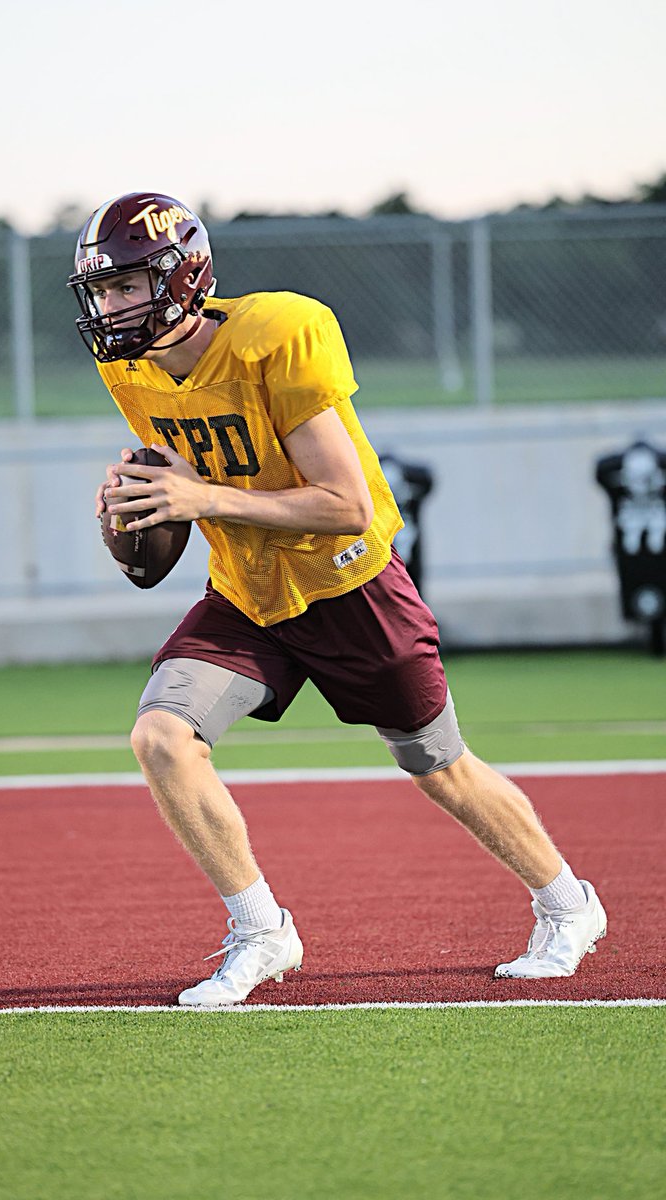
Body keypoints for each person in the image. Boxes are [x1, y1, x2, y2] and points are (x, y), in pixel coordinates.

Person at [69, 191, 607, 1007]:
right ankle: (261, 931)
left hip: (347, 582)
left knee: (439, 767)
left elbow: (345, 503)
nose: (110, 308)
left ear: (183, 278)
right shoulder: (127, 365)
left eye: (126, 286)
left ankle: (569, 905)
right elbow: (185, 474)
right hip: (248, 590)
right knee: (162, 738)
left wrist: (203, 500)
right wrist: (142, 500)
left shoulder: (278, 333)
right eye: (101, 291)